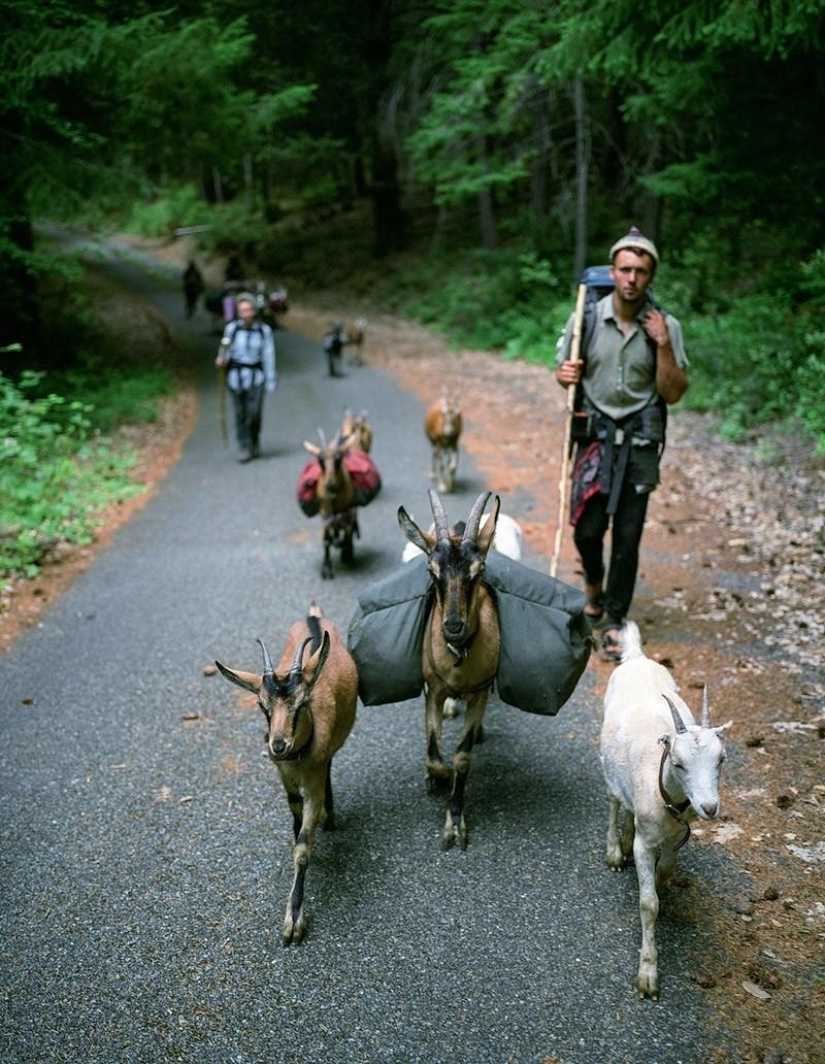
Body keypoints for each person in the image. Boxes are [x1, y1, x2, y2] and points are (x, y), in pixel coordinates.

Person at [555, 227, 689, 661]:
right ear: (612, 272)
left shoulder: (665, 326)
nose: (632, 278)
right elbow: (564, 372)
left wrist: (663, 345)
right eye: (625, 269)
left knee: (628, 537)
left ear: (651, 276)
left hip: (640, 441)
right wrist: (563, 375)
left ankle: (614, 617)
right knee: (587, 528)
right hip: (594, 436)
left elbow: (673, 392)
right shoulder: (586, 319)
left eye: (641, 271)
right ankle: (593, 584)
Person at [215, 293, 277, 463]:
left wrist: (271, 379)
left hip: (257, 378)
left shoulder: (264, 331)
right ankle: (244, 446)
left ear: (254, 311)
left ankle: (254, 440)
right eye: (243, 310)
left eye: (249, 310)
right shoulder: (232, 329)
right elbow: (225, 349)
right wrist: (221, 360)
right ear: (238, 312)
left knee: (254, 412)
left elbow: (269, 355)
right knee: (240, 413)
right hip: (236, 378)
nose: (247, 314)